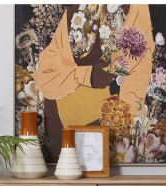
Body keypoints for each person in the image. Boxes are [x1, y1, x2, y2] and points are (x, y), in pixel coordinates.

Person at [33, 4, 154, 162]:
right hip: (61, 114)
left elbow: (138, 67)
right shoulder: (74, 11)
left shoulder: (135, 8)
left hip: (110, 115)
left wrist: (127, 122)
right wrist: (87, 75)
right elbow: (48, 68)